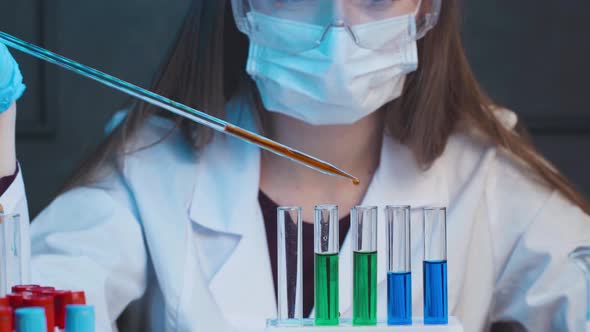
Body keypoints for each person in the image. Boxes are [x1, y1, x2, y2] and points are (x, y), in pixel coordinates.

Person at [1, 0, 589, 331]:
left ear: (428, 8)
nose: (335, 23)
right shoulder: (151, 168)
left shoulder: (487, 179)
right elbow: (29, 300)